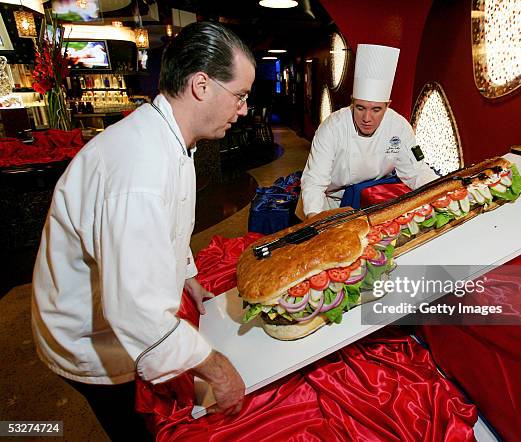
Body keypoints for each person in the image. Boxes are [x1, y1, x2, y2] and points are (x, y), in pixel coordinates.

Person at [31, 22, 255, 439]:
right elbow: (136, 311)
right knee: (137, 429)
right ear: (202, 85)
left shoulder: (171, 135)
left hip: (110, 314)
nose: (242, 109)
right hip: (89, 337)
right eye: (239, 96)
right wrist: (216, 367)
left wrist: (185, 272)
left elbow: (168, 225)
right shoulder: (139, 170)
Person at [299, 44, 438, 218]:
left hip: (375, 199)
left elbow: (417, 171)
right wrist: (315, 218)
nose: (367, 118)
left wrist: (441, 193)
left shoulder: (399, 127)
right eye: (360, 107)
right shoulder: (332, 128)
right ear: (352, 102)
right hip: (330, 201)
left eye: (376, 110)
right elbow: (314, 181)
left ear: (387, 105)